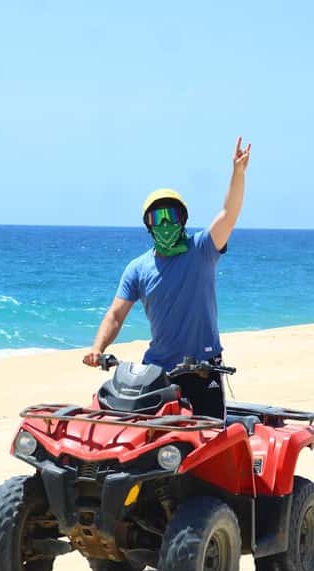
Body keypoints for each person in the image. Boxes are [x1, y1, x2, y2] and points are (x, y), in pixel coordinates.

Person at [81, 137, 251, 418]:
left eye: (171, 216)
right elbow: (116, 315)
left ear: (182, 219)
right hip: (156, 371)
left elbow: (228, 214)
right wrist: (97, 349)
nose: (164, 224)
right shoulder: (138, 268)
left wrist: (238, 173)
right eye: (157, 218)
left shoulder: (202, 249)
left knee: (208, 436)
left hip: (202, 368)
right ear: (148, 225)